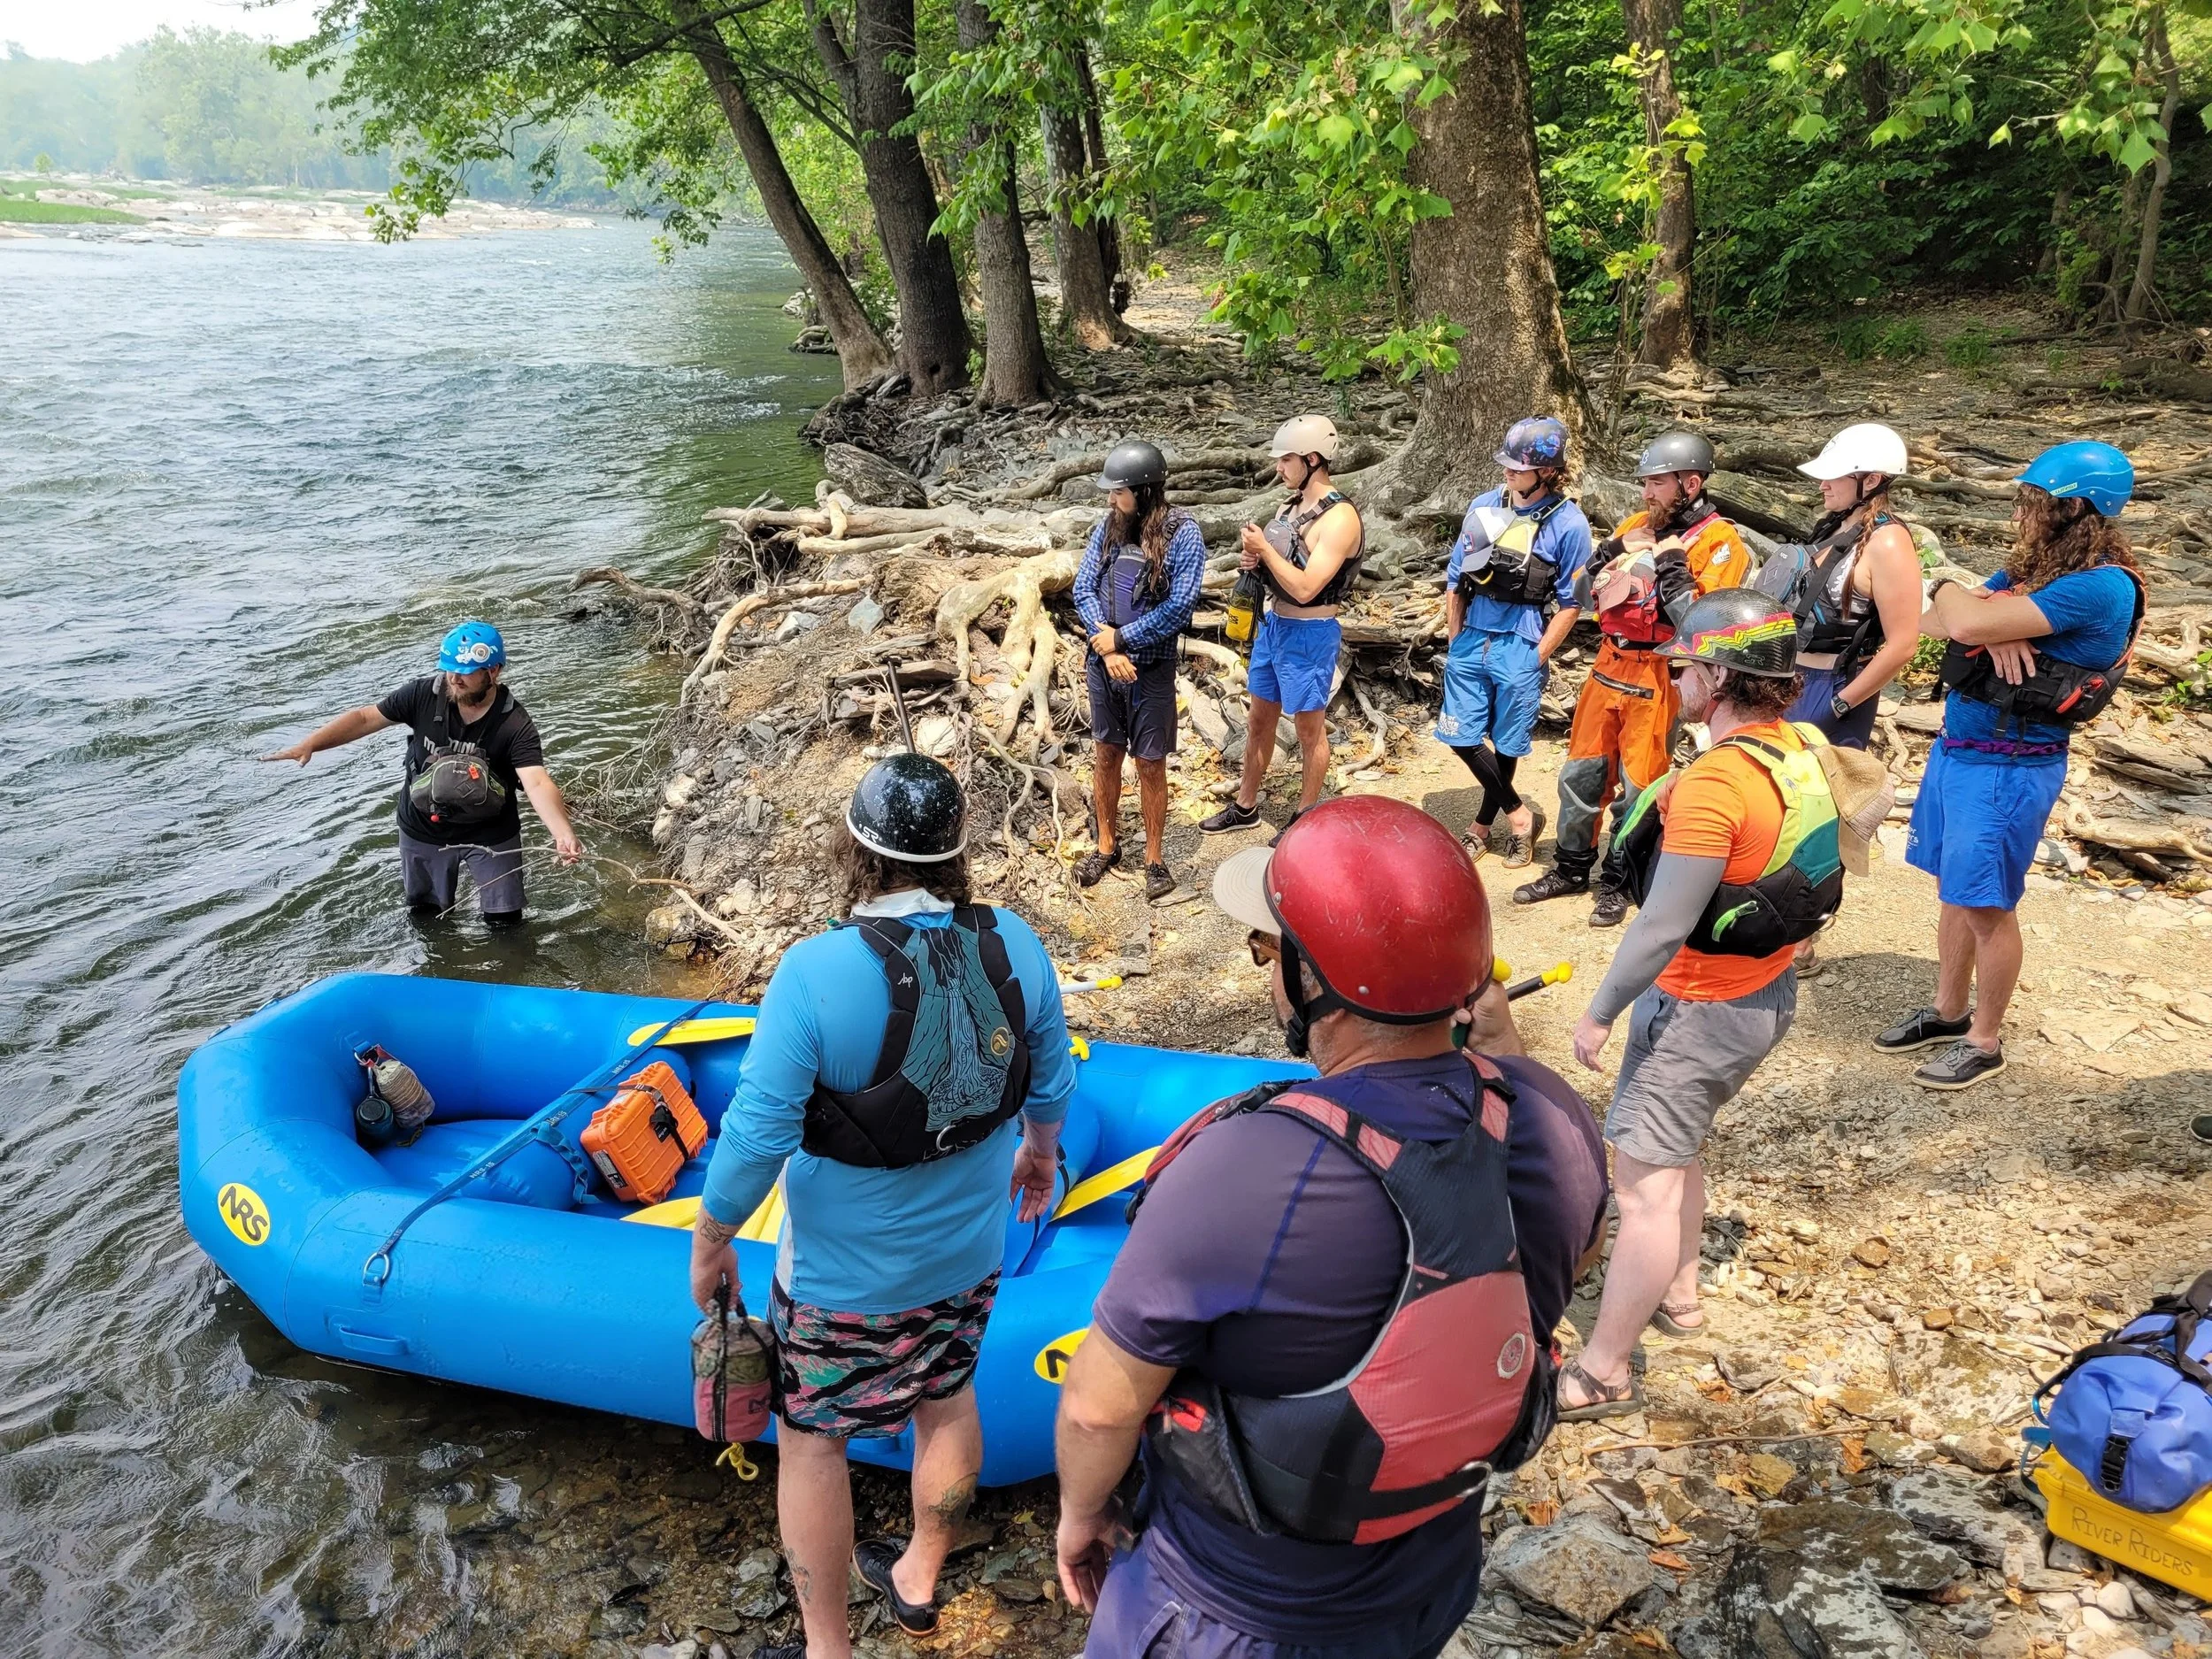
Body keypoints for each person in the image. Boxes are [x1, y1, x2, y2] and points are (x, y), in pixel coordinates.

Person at [1055, 796, 1609, 1658]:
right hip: (1430, 1583)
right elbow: (1571, 1256)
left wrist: (1081, 1514)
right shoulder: (1554, 1116)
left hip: (1235, 1612)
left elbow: (1098, 1410)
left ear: (1315, 983)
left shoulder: (1247, 1167)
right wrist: (1500, 1044)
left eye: (1269, 948)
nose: (1264, 966)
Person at [687, 753, 1074, 1659]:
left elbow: (756, 1136)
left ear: (855, 851)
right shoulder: (1014, 942)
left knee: (812, 1441)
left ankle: (829, 1648)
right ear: (956, 852)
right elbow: (1051, 1076)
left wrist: (711, 1238)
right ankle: (918, 1578)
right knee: (948, 1398)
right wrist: (1041, 1152)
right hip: (968, 1258)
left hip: (840, 1283)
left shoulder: (814, 971)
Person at [1560, 589, 1870, 1417]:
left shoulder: (1717, 783)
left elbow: (1662, 926)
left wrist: (1600, 1009)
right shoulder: (1800, 746)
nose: (1673, 680)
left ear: (1719, 676)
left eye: (1683, 668)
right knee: (1678, 1146)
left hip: (1700, 1007)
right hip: (1766, 989)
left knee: (1643, 1189)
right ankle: (1681, 1294)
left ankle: (1604, 1369)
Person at [1878, 441, 2143, 1092]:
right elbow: (1937, 624)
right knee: (1955, 888)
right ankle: (1948, 1010)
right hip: (1961, 751)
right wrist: (1987, 617)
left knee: (1987, 904)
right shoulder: (2037, 568)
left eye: (2031, 502)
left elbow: (1963, 620)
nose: (2019, 514)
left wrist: (1968, 604)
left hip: (2010, 767)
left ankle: (1984, 1039)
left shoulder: (2101, 586)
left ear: (2074, 509)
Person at [1517, 431, 1747, 926]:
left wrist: (1672, 564)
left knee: (1639, 785)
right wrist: (1611, 548)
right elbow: (1580, 593)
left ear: (1690, 484)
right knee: (1580, 775)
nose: (1646, 493)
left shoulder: (1721, 543)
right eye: (1645, 483)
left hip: (1661, 672)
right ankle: (1571, 867)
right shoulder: (1636, 526)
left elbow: (1699, 625)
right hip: (1609, 663)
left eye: (1657, 483)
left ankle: (1619, 880)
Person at [260, 620, 581, 923]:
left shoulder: (515, 723)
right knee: (427, 917)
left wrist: (562, 834)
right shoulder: (422, 695)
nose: (455, 679)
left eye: (466, 672)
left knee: (505, 921)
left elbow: (536, 782)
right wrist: (311, 744)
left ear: (493, 671)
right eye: (450, 669)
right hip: (424, 827)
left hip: (492, 831)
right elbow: (365, 718)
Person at [1437, 417, 1594, 866]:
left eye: (1518, 467)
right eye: (1506, 464)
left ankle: (1481, 828)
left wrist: (1537, 656)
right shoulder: (1484, 506)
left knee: (1506, 743)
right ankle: (1522, 816)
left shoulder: (1570, 524)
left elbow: (1572, 603)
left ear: (1547, 472)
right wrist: (1456, 638)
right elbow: (1456, 580)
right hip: (1472, 638)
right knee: (1461, 737)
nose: (1507, 471)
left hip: (1522, 642)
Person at [1201, 416, 1363, 837]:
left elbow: (1307, 588)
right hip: (1274, 626)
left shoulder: (1340, 518)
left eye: (1287, 459)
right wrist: (1254, 562)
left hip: (1310, 635)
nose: (1279, 467)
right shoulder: (1288, 509)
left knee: (1309, 729)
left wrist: (1265, 552)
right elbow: (1279, 571)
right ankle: (1245, 806)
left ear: (1313, 459)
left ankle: (1306, 816)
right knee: (1259, 720)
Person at [1071, 440, 1207, 902]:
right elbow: (1083, 588)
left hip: (1151, 669)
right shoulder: (1108, 528)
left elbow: (1179, 606)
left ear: (1145, 490)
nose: (1112, 500)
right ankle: (1106, 846)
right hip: (1104, 663)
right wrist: (1107, 645)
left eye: (1119, 492)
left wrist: (1124, 640)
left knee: (1150, 762)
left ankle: (1154, 858)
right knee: (1106, 753)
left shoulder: (1183, 534)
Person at [1776, 423, 1926, 747]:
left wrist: (1838, 706)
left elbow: (1903, 645)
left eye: (1834, 476)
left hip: (1832, 688)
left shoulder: (1888, 542)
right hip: (1788, 680)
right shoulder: (1831, 527)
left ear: (1871, 481)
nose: (1822, 485)